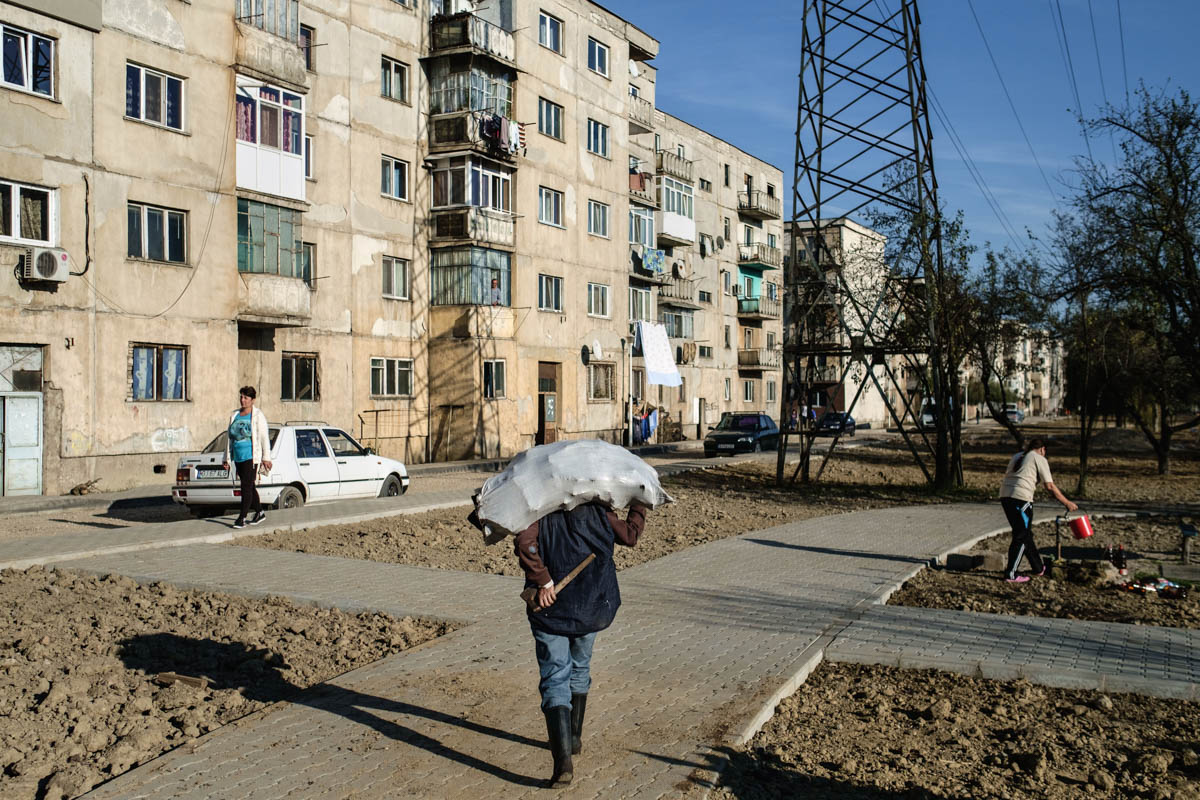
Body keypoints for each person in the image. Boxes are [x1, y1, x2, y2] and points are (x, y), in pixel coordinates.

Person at [514, 500, 649, 787]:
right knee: (579, 667)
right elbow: (630, 536)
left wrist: (542, 579)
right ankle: (573, 739)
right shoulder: (599, 507)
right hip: (591, 607)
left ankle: (563, 760)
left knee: (554, 676)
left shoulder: (538, 509)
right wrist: (638, 505)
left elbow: (525, 541)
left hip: (549, 608)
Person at [998, 437, 1077, 583]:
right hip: (1021, 499)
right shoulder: (1039, 458)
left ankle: (1038, 567)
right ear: (1042, 449)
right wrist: (1067, 502)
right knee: (1021, 536)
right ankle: (1011, 574)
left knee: (1024, 533)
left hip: (1005, 496)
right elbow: (1049, 486)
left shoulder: (1018, 456)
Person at [222, 386, 273, 529]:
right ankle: (259, 512)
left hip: (251, 456)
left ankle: (242, 517)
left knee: (246, 486)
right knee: (249, 486)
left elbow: (263, 437)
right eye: (241, 397)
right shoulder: (235, 415)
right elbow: (229, 438)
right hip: (238, 456)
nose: (242, 400)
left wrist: (266, 457)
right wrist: (226, 458)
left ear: (252, 400)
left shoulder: (257, 416)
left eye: (246, 397)